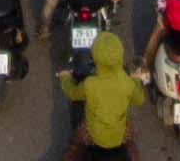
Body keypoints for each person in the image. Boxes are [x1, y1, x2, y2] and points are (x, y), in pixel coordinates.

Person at [62, 30, 144, 161]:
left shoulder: (89, 84)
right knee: (131, 144)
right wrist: (136, 80)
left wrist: (64, 78)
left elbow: (73, 93)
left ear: (95, 56)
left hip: (93, 135)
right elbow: (139, 99)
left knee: (75, 145)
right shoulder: (127, 83)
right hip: (119, 136)